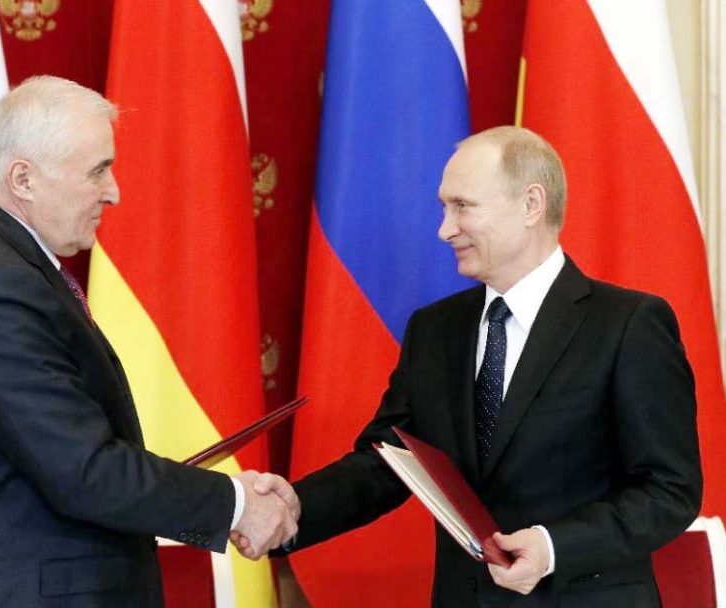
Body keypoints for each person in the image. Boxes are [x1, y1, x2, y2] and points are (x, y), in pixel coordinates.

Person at [243, 126, 702, 607]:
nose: (445, 229)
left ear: (531, 204)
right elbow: (387, 463)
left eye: (463, 206)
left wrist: (551, 546)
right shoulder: (435, 330)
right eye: (445, 207)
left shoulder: (628, 324)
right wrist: (296, 506)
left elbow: (668, 490)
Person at [0, 75, 297, 607]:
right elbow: (83, 470)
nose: (113, 191)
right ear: (24, 178)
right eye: (98, 171)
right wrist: (233, 502)